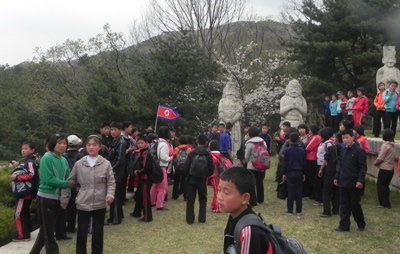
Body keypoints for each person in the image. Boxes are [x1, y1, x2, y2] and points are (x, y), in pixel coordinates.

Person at [61, 135, 115, 254]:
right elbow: (70, 181)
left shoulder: (106, 164)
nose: (91, 147)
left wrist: (110, 195)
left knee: (97, 232)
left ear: (99, 147)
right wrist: (64, 199)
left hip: (100, 202)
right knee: (81, 233)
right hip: (83, 202)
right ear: (85, 147)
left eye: (94, 145)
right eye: (89, 145)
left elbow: (111, 182)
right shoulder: (79, 163)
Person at [29, 134, 75, 254]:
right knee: (49, 232)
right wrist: (67, 184)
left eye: (64, 143)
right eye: (59, 143)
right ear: (52, 144)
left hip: (58, 199)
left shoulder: (63, 160)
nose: (62, 146)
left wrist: (66, 197)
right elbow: (48, 179)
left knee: (45, 231)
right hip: (46, 198)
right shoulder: (46, 158)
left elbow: (68, 177)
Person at [219, 167, 273, 253]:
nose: (219, 197)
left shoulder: (249, 230)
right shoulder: (234, 218)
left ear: (244, 198)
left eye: (226, 192)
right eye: (219, 190)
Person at [334, 129, 366, 232]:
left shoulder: (359, 151)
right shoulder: (343, 149)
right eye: (343, 138)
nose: (345, 140)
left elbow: (362, 167)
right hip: (343, 180)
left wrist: (360, 180)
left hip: (354, 182)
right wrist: (336, 177)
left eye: (347, 137)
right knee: (343, 205)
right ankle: (344, 225)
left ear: (353, 137)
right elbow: (340, 164)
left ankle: (361, 224)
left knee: (355, 205)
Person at [10, 141, 39, 242]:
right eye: (22, 148)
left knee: (18, 213)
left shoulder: (30, 162)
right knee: (24, 212)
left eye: (26, 148)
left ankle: (22, 235)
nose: (23, 150)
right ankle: (26, 232)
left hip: (24, 193)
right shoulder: (27, 160)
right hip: (25, 192)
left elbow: (31, 174)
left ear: (32, 150)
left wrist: (16, 177)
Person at [184, 134, 214, 224]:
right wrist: (207, 175)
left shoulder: (192, 153)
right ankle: (202, 219)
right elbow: (211, 169)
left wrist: (187, 176)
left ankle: (190, 219)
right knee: (203, 199)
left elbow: (186, 167)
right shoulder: (208, 155)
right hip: (202, 179)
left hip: (191, 178)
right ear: (206, 143)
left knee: (190, 199)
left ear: (197, 141)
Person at [59, 134, 84, 237]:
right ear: (78, 144)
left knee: (64, 205)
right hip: (75, 183)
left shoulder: (63, 156)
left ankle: (62, 227)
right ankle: (71, 227)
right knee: (73, 206)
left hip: (64, 183)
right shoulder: (80, 156)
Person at [107, 122, 127, 225]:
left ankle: (115, 219)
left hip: (116, 173)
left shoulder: (121, 142)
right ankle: (119, 215)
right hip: (114, 171)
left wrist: (109, 170)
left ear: (120, 130)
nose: (113, 132)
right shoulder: (114, 141)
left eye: (115, 130)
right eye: (111, 130)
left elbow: (119, 160)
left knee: (114, 196)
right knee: (117, 195)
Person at [282, 132, 305, 217]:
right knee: (299, 191)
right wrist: (303, 172)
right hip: (299, 171)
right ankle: (299, 210)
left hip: (290, 172)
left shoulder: (287, 150)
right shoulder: (302, 150)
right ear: (299, 139)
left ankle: (290, 210)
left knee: (290, 191)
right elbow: (303, 162)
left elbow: (285, 163)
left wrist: (284, 173)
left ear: (290, 140)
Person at [130, 135, 153, 221]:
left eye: (141, 143)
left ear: (146, 143)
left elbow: (146, 167)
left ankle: (147, 217)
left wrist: (137, 172)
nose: (140, 145)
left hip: (145, 179)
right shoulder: (142, 152)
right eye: (138, 143)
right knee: (139, 197)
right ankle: (137, 212)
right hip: (142, 178)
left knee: (145, 199)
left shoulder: (146, 153)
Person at [318, 132, 341, 217]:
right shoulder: (344, 148)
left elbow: (325, 159)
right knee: (336, 192)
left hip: (330, 171)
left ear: (337, 139)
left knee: (326, 192)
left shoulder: (331, 148)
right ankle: (336, 209)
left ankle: (327, 211)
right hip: (339, 172)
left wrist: (321, 169)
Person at [150, 126, 172, 210]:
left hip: (155, 166)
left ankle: (152, 201)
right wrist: (170, 158)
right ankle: (159, 204)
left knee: (155, 185)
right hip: (162, 167)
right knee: (163, 187)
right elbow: (163, 157)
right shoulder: (164, 144)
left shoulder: (156, 142)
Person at [245, 127, 267, 206]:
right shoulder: (263, 142)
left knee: (251, 184)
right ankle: (260, 199)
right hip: (261, 165)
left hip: (252, 166)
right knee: (259, 182)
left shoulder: (249, 143)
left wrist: (247, 162)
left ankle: (253, 201)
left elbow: (246, 156)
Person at [374, 129, 395, 208]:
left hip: (384, 168)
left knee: (381, 186)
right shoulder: (392, 144)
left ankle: (384, 203)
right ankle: (386, 202)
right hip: (391, 169)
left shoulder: (385, 145)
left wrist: (375, 163)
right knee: (385, 186)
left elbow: (381, 157)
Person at [314, 128, 334, 206]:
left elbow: (328, 155)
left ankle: (321, 199)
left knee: (319, 182)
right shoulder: (322, 143)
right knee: (318, 182)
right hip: (319, 163)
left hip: (324, 165)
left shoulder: (328, 144)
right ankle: (320, 198)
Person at [172, 135, 192, 200]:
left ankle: (175, 195)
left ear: (179, 141)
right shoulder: (189, 149)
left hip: (177, 167)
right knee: (185, 181)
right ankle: (185, 195)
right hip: (186, 167)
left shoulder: (176, 149)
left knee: (176, 181)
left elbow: (174, 157)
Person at [304, 125, 320, 199]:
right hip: (312, 158)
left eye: (310, 130)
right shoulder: (313, 137)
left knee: (310, 177)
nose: (309, 132)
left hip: (311, 158)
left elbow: (308, 148)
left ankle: (312, 194)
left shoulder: (316, 137)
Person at [209, 140, 222, 213]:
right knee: (218, 191)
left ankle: (218, 207)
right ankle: (214, 205)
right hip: (221, 175)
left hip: (214, 176)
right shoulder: (221, 155)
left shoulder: (210, 155)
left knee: (216, 191)